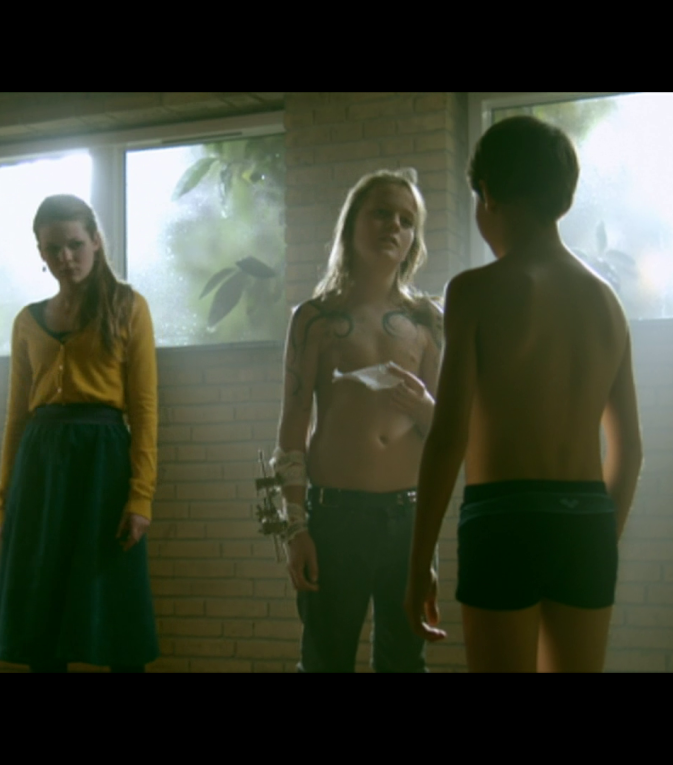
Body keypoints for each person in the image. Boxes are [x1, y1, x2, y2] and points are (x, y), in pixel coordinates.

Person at [406, 116, 644, 673]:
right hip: (587, 520)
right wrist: (596, 540)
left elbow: (448, 437)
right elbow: (630, 449)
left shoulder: (474, 291)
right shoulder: (607, 303)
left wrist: (418, 564)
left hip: (503, 518)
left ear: (487, 193)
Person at [274, 168, 444, 673]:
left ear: (414, 239)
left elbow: (448, 433)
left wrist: (425, 408)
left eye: (407, 220)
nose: (394, 226)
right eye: (381, 213)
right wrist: (295, 528)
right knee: (325, 661)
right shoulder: (314, 319)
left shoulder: (428, 320)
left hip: (408, 518)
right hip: (335, 517)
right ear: (351, 225)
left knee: (404, 663)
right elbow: (292, 426)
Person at [0, 194, 159, 674]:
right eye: (53, 247)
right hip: (40, 468)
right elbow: (15, 418)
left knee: (115, 602)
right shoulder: (27, 321)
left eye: (75, 244)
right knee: (42, 605)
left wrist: (140, 496)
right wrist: (3, 501)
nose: (65, 256)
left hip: (103, 464)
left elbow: (145, 409)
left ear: (96, 241)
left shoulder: (128, 307)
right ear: (40, 252)